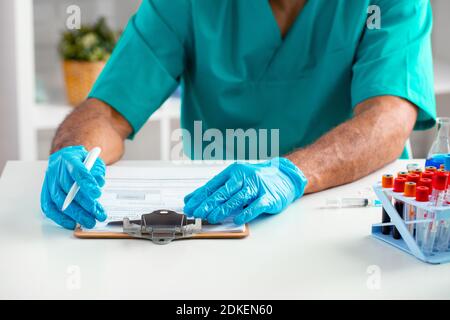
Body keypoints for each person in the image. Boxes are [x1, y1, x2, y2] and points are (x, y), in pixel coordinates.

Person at [41, 0, 436, 230]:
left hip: (352, 215)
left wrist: (291, 173)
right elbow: (109, 113)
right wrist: (73, 153)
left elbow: (389, 115)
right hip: (220, 218)